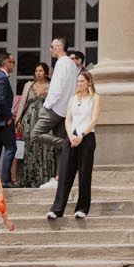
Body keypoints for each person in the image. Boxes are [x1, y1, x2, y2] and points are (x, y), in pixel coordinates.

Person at [46, 69, 100, 221]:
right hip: (71, 138)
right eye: (78, 81)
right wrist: (70, 136)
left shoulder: (95, 98)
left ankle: (82, 208)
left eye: (82, 81)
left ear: (88, 82)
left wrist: (82, 135)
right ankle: (57, 209)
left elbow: (94, 119)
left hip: (87, 138)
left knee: (84, 174)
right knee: (64, 174)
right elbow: (68, 119)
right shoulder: (72, 98)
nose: (79, 84)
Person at [15, 63, 59, 189]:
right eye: (36, 70)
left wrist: (48, 97)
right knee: (29, 148)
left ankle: (45, 178)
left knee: (46, 148)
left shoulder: (51, 86)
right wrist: (18, 120)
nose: (38, 73)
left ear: (46, 73)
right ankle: (28, 179)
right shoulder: (28, 85)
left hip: (45, 120)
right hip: (29, 121)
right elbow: (23, 103)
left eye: (40, 71)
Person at [42, 37, 77, 136]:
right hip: (67, 110)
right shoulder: (72, 64)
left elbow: (58, 87)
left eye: (52, 46)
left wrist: (47, 105)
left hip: (57, 109)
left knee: (35, 134)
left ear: (59, 47)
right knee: (61, 139)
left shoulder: (61, 63)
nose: (50, 49)